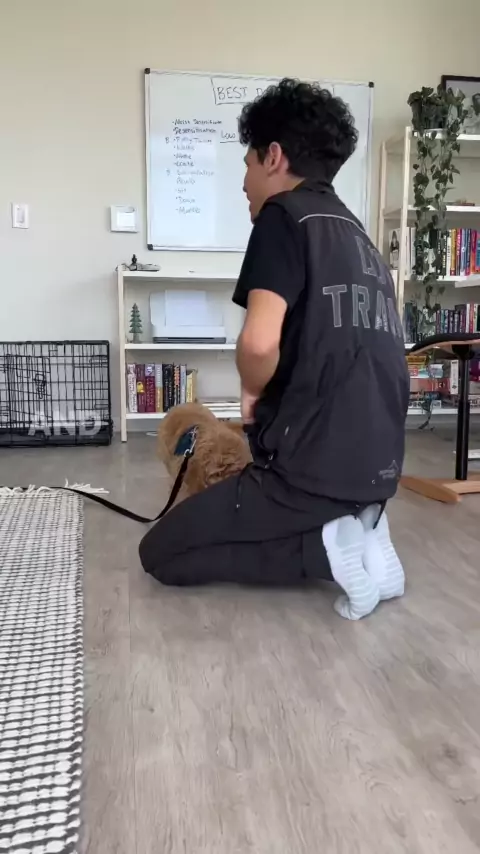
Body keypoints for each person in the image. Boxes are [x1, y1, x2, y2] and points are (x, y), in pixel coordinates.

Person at [139, 78, 410, 620]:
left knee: (161, 553)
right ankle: (360, 531)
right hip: (378, 471)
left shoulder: (283, 217)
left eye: (246, 164)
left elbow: (259, 342)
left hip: (308, 473)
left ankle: (325, 550)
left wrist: (251, 391)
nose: (243, 183)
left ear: (274, 157)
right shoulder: (358, 235)